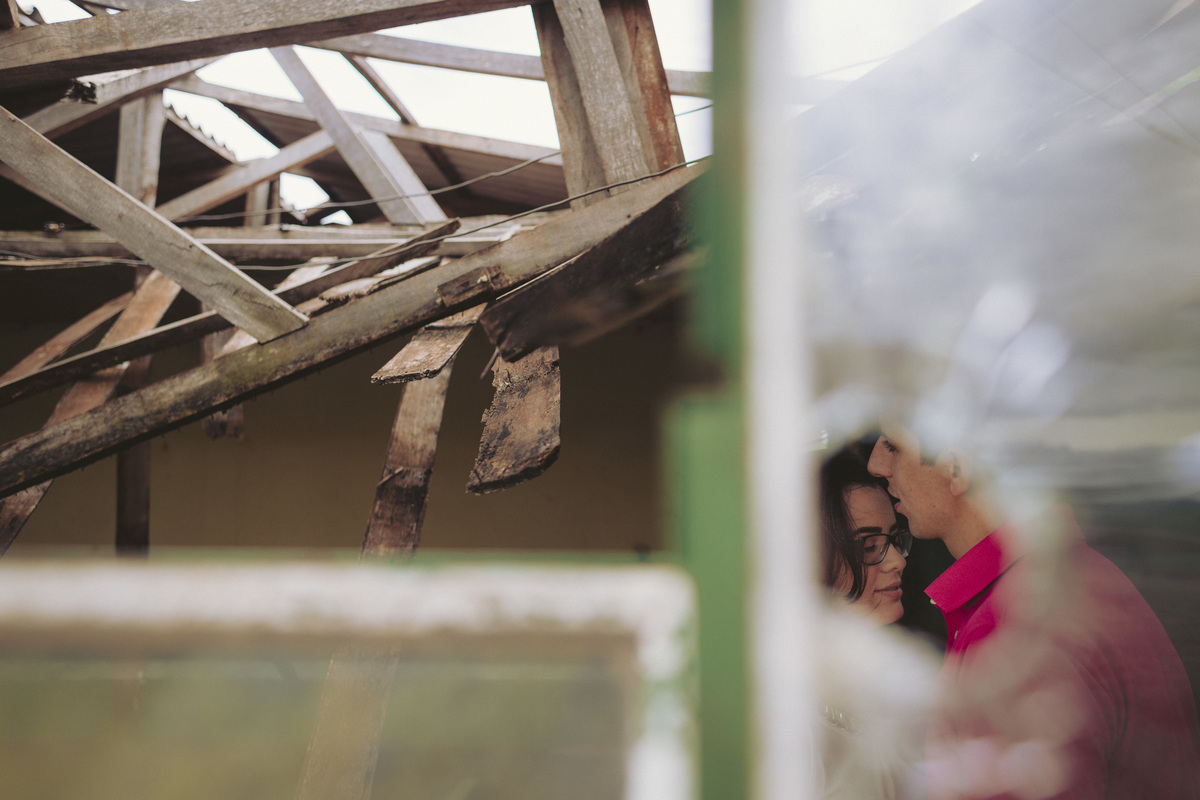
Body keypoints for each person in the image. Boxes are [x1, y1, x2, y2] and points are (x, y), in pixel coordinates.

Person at [867, 422, 1200, 799]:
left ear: (956, 469)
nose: (876, 465)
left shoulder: (1015, 624)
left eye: (893, 446)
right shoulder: (1065, 580)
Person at [814, 446, 930, 800]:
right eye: (869, 545)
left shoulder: (903, 678)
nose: (897, 560)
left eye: (895, 539)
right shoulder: (783, 710)